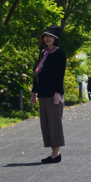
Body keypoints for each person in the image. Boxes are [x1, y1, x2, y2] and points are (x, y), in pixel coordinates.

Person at [31, 24, 66, 164]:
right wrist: (34, 92)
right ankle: (53, 153)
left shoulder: (59, 53)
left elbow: (60, 74)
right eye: (46, 36)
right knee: (45, 124)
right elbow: (37, 74)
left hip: (54, 94)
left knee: (54, 123)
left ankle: (56, 154)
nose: (47, 38)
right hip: (43, 93)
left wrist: (58, 92)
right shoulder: (43, 53)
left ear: (55, 38)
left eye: (51, 36)